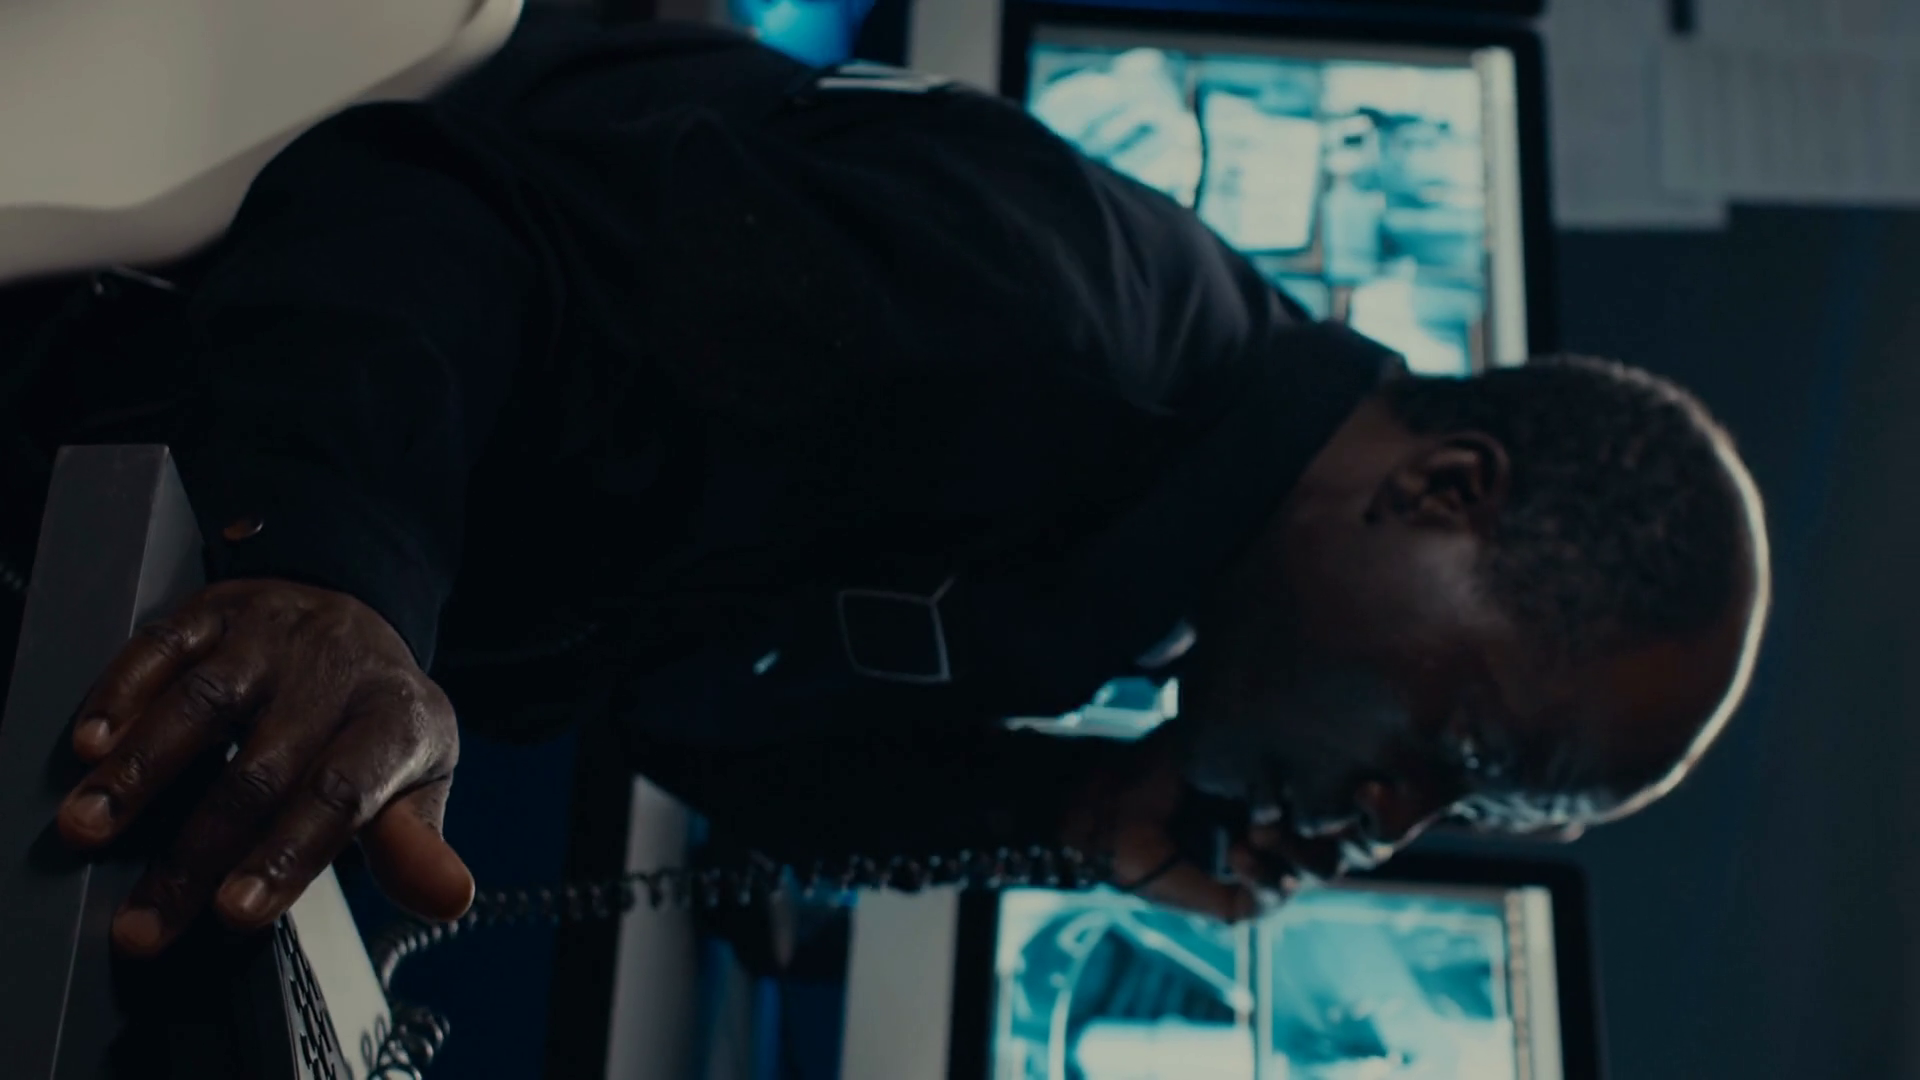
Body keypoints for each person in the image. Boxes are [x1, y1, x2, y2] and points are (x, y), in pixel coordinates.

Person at [34, 11, 1770, 960]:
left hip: (177, 539)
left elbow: (694, 712)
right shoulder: (1046, 329)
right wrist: (340, 577)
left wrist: (1067, 812)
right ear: (1447, 490)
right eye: (1452, 748)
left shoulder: (1148, 566)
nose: (1386, 824)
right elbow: (429, 213)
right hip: (114, 367)